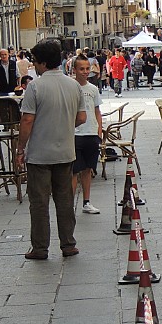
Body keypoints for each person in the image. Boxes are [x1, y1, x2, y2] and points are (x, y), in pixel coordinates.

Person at [17, 38, 87, 260]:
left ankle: (40, 248)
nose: (35, 66)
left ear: (42, 63)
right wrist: (64, 125)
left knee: (39, 203)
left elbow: (27, 120)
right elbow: (82, 117)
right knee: (65, 201)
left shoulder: (35, 87)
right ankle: (68, 244)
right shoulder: (73, 85)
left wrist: (20, 149)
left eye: (36, 61)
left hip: (39, 154)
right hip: (66, 152)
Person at [71, 55, 102, 215]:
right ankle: (69, 204)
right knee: (74, 170)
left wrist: (99, 130)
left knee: (88, 169)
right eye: (81, 69)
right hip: (75, 134)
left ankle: (86, 201)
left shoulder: (93, 89)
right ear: (74, 70)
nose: (85, 72)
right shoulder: (70, 87)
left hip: (91, 132)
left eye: (87, 69)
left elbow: (97, 111)